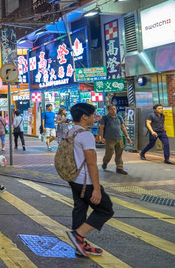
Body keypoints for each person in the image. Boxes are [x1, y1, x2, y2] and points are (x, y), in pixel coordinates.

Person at [65, 103, 114, 257]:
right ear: (84, 116)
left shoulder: (71, 131)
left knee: (80, 209)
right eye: (93, 114)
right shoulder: (86, 135)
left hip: (73, 179)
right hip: (85, 182)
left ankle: (80, 247)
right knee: (105, 209)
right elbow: (91, 163)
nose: (95, 117)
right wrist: (97, 188)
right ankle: (78, 235)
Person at [99, 105, 131, 174]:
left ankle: (119, 168)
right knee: (109, 153)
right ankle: (105, 162)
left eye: (114, 109)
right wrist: (102, 138)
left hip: (119, 138)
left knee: (119, 153)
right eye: (112, 109)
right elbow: (102, 128)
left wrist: (127, 136)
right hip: (109, 139)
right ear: (108, 110)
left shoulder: (119, 117)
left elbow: (123, 127)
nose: (114, 110)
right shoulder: (105, 118)